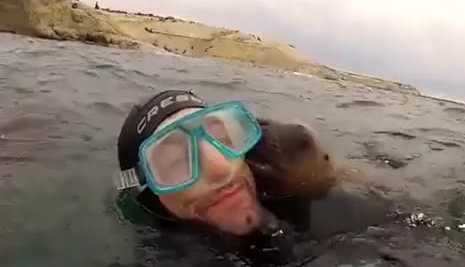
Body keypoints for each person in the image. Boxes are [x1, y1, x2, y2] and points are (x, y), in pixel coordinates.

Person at [114, 89, 335, 238]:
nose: (221, 167)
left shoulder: (335, 216)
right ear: (150, 195)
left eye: (222, 140)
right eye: (176, 161)